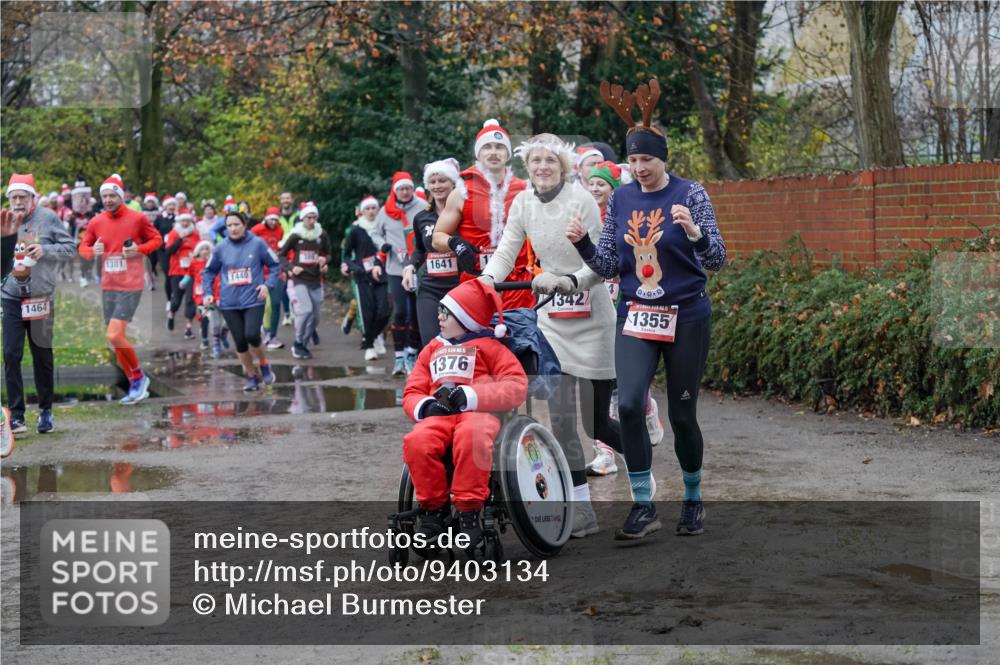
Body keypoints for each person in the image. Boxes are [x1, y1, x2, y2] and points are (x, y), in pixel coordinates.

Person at [566, 79, 727, 539]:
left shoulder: (691, 194)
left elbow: (717, 259)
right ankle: (643, 505)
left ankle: (693, 498)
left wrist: (695, 233)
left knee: (681, 415)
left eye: (646, 160)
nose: (638, 168)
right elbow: (612, 264)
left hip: (688, 316)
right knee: (631, 405)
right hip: (636, 313)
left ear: (663, 159)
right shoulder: (620, 196)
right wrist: (582, 246)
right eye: (632, 160)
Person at [480, 135, 620, 538]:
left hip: (592, 318)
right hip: (553, 321)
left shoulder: (582, 200)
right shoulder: (523, 202)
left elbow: (602, 262)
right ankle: (582, 510)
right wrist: (487, 281)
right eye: (535, 161)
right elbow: (507, 250)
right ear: (528, 166)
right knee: (560, 420)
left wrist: (567, 280)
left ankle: (640, 455)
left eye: (549, 161)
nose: (541, 167)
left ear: (562, 165)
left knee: (597, 427)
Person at [402, 279, 528, 551]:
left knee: (472, 436)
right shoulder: (432, 349)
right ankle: (434, 511)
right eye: (440, 311)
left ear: (466, 318)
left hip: (478, 412)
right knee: (417, 441)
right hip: (439, 414)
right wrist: (425, 406)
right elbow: (412, 390)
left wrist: (473, 396)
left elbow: (516, 386)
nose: (439, 317)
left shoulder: (492, 347)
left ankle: (469, 510)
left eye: (446, 313)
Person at [585, 160, 666, 476]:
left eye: (601, 184)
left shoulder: (626, 217)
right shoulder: (583, 214)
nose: (595, 189)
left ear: (614, 189)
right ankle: (605, 454)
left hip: (625, 301)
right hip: (591, 304)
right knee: (601, 379)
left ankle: (646, 404)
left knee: (623, 377)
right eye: (591, 183)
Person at [431, 118, 534, 311]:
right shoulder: (461, 190)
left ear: (508, 154)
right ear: (478, 153)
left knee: (519, 338)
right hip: (476, 279)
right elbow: (437, 238)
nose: (494, 152)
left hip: (519, 284)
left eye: (499, 147)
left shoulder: (525, 189)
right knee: (478, 339)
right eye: (487, 147)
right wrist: (455, 243)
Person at [78, 173, 164, 404]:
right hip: (109, 285)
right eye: (104, 196)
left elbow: (157, 240)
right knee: (116, 339)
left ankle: (138, 377)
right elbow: (83, 247)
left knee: (114, 334)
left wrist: (138, 249)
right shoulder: (97, 222)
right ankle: (135, 381)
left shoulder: (137, 219)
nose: (107, 200)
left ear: (120, 195)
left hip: (131, 284)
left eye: (111, 195)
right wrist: (91, 251)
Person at [1, 174, 77, 434]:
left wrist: (47, 251)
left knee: (41, 356)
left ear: (33, 198)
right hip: (11, 296)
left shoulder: (48, 219)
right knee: (11, 354)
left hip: (40, 298)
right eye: (14, 197)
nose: (19, 202)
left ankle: (45, 411)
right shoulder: (4, 221)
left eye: (23, 197)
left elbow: (70, 248)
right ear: (9, 199)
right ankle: (17, 416)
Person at [201, 212, 280, 390]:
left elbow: (275, 265)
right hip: (229, 303)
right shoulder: (221, 248)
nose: (233, 228)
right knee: (240, 341)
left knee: (252, 334)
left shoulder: (258, 243)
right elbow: (208, 272)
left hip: (254, 299)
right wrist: (207, 293)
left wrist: (268, 285)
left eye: (236, 224)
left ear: (244, 225)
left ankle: (264, 363)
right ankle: (251, 376)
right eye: (229, 226)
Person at [404, 159, 462, 347]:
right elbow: (420, 250)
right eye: (433, 182)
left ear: (453, 183)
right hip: (430, 289)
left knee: (460, 343)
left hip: (460, 288)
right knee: (432, 344)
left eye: (442, 181)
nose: (437, 186)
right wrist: (410, 266)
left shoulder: (465, 215)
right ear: (427, 185)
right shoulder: (421, 218)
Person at [372, 171, 424, 375]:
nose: (405, 192)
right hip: (396, 268)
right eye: (401, 189)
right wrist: (383, 245)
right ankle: (399, 357)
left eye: (408, 188)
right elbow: (375, 232)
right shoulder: (386, 211)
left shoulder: (421, 207)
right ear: (395, 191)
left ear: (412, 189)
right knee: (401, 312)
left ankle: (412, 353)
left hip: (418, 267)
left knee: (418, 314)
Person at [278, 201, 331, 360]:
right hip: (299, 279)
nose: (312, 220)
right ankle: (298, 341)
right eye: (309, 217)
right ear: (303, 218)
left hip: (315, 278)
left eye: (314, 217)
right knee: (306, 309)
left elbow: (329, 253)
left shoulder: (321, 234)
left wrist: (324, 261)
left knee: (315, 317)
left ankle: (302, 344)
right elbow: (281, 254)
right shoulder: (296, 235)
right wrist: (291, 267)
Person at [342, 196, 390, 362]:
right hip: (362, 277)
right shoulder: (356, 230)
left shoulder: (383, 228)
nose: (371, 211)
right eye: (367, 209)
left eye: (373, 208)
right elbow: (346, 256)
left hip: (382, 275)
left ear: (378, 210)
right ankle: (369, 346)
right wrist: (355, 268)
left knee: (384, 312)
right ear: (362, 211)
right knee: (368, 314)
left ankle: (373, 337)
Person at [250, 207, 287, 350]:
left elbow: (281, 250)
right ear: (266, 218)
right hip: (258, 272)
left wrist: (282, 269)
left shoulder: (280, 230)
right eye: (271, 219)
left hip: (274, 270)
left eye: (276, 220)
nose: (273, 222)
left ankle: (272, 335)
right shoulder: (256, 230)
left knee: (276, 303)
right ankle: (261, 329)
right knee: (261, 303)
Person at [163, 210, 200, 339]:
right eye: (182, 221)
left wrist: (196, 255)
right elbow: (168, 252)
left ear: (190, 222)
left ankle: (188, 328)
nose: (185, 223)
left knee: (190, 299)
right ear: (179, 221)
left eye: (187, 221)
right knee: (177, 300)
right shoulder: (173, 234)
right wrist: (179, 240)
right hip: (177, 270)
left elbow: (199, 249)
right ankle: (171, 313)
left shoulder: (195, 234)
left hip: (191, 271)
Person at [186, 240, 216, 351]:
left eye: (207, 249)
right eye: (202, 249)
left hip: (212, 294)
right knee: (205, 316)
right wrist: (184, 282)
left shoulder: (213, 262)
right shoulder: (194, 262)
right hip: (199, 295)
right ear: (198, 251)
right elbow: (189, 274)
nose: (204, 252)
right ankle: (204, 340)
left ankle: (216, 335)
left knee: (212, 316)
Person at [277, 192, 298, 327]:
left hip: (296, 251)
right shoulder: (276, 216)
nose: (286, 201)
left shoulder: (299, 215)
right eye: (283, 198)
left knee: (297, 282)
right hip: (281, 252)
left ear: (292, 200)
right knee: (284, 284)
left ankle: (297, 310)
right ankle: (287, 313)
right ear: (280, 200)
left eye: (288, 198)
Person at [155, 196, 178, 300]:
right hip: (162, 249)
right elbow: (153, 231)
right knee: (167, 272)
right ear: (165, 206)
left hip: (175, 249)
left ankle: (175, 293)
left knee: (175, 274)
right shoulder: (159, 218)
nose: (172, 207)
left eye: (173, 205)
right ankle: (169, 298)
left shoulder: (178, 218)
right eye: (169, 205)